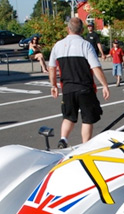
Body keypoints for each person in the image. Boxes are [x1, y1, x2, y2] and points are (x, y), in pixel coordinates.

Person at [48, 17, 110, 148]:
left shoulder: (58, 46)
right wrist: (104, 85)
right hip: (85, 88)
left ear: (68, 29)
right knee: (87, 119)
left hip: (68, 88)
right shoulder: (85, 45)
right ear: (82, 30)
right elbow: (95, 67)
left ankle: (63, 139)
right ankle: (85, 145)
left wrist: (53, 85)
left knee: (68, 117)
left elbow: (51, 67)